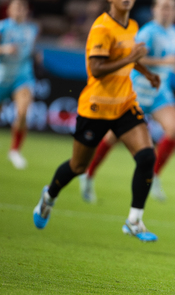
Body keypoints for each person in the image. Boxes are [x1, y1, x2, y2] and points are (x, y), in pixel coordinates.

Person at [33, 0, 161, 242]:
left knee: (147, 156)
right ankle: (49, 196)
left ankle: (134, 221)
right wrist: (130, 58)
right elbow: (97, 68)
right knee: (78, 166)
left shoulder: (132, 25)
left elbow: (128, 58)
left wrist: (147, 73)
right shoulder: (101, 28)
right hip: (96, 107)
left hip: (124, 103)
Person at [79, 0, 175, 203]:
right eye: (163, 7)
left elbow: (171, 60)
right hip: (136, 90)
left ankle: (152, 176)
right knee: (112, 136)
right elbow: (135, 59)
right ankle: (88, 174)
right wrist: (166, 63)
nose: (167, 11)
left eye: (171, 7)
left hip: (159, 93)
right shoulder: (147, 32)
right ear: (154, 10)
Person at [0, 0, 37, 169]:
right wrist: (4, 49)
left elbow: (29, 50)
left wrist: (36, 56)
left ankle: (15, 151)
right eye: (15, 8)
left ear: (26, 11)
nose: (18, 11)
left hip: (22, 76)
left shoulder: (33, 29)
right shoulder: (2, 27)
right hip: (2, 75)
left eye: (22, 8)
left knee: (22, 112)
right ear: (9, 10)